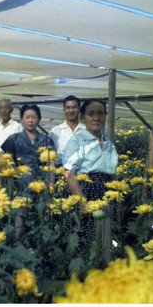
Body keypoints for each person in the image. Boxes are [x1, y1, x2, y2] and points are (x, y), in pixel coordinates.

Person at [62, 99, 118, 241]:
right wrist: (82, 202)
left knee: (106, 236)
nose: (96, 118)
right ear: (83, 118)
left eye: (100, 113)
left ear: (105, 116)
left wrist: (119, 202)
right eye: (91, 114)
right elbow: (69, 173)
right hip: (86, 191)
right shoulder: (77, 141)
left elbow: (113, 175)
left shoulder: (108, 143)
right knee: (86, 236)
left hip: (107, 192)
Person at [1, 104, 56, 181]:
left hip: (41, 183)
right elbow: (7, 162)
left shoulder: (47, 140)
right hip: (19, 183)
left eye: (33, 117)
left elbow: (51, 164)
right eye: (27, 117)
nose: (30, 120)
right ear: (22, 120)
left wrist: (50, 185)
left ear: (39, 119)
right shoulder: (13, 139)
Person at [49, 95, 85, 164]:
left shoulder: (86, 130)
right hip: (61, 171)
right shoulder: (55, 131)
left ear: (79, 109)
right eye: (68, 108)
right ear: (64, 110)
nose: (71, 110)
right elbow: (50, 157)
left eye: (74, 107)